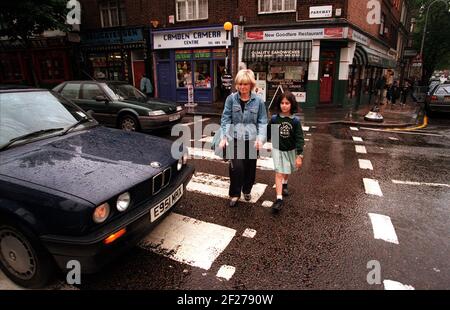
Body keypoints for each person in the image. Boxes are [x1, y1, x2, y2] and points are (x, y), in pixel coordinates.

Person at [219, 69, 268, 208]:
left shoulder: (258, 101)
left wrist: (260, 138)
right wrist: (224, 137)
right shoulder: (231, 99)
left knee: (249, 168)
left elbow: (262, 121)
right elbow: (226, 118)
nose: (242, 87)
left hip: (252, 139)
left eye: (246, 84)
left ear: (251, 85)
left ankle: (247, 189)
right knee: (237, 167)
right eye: (240, 83)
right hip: (234, 138)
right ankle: (234, 194)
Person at [268, 91, 305, 213]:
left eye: (287, 103)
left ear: (291, 104)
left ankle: (285, 183)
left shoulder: (295, 121)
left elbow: (299, 138)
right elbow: (269, 133)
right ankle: (279, 199)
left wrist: (299, 155)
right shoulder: (275, 119)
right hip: (278, 149)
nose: (284, 105)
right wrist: (260, 141)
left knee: (287, 170)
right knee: (279, 172)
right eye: (282, 103)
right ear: (279, 104)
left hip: (291, 150)